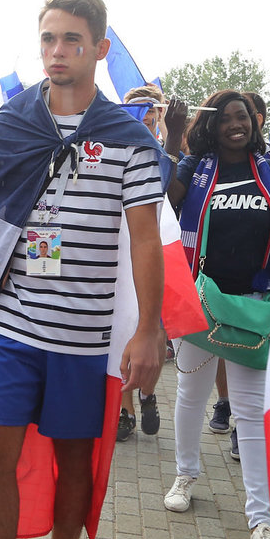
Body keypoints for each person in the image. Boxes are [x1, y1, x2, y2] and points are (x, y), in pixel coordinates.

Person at [0, 0, 163, 539]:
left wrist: (148, 331)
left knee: (74, 464)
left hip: (84, 336)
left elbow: (145, 239)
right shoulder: (11, 124)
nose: (57, 51)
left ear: (99, 49)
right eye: (49, 39)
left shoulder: (130, 138)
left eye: (72, 40)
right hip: (12, 324)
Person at [164, 89, 270, 539]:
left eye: (244, 117)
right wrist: (171, 138)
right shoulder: (194, 167)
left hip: (252, 308)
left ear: (254, 123)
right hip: (199, 302)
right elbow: (164, 201)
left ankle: (262, 521)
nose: (237, 125)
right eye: (226, 119)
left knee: (251, 412)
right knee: (190, 396)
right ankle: (185, 475)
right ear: (211, 126)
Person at [113, 84, 188, 441]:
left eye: (149, 110)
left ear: (158, 115)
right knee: (122, 326)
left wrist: (171, 138)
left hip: (154, 250)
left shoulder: (166, 149)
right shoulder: (113, 145)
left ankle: (148, 393)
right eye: (134, 109)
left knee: (154, 330)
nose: (141, 116)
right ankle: (124, 406)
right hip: (117, 253)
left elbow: (165, 184)